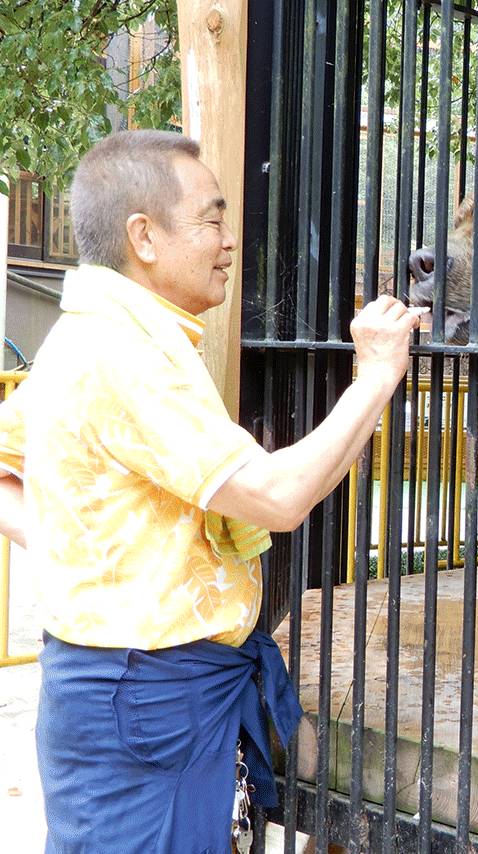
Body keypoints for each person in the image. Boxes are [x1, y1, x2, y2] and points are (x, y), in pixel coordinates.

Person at [0, 130, 418, 853]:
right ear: (145, 237)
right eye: (213, 219)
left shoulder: (103, 333)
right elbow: (280, 496)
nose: (229, 242)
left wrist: (87, 541)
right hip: (145, 695)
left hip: (141, 689)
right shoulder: (125, 353)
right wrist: (377, 374)